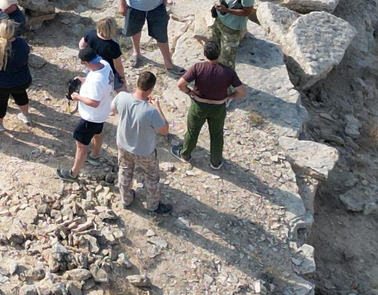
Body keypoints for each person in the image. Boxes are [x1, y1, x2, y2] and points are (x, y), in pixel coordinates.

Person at [176, 37, 249, 169]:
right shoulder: (228, 72)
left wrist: (189, 92)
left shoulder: (198, 67)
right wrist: (230, 96)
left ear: (204, 53)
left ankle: (185, 154)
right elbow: (242, 92)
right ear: (219, 53)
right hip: (218, 107)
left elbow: (180, 84)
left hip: (198, 105)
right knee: (216, 134)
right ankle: (216, 162)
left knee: (193, 131)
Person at [113, 68, 172, 212]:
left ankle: (126, 199)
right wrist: (157, 107)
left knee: (124, 171)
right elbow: (164, 130)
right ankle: (153, 206)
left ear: (137, 83)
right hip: (144, 152)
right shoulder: (151, 111)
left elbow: (113, 110)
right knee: (151, 178)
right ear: (151, 89)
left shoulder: (122, 97)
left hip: (123, 145)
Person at [68, 52, 118, 182]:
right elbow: (97, 82)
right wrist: (83, 80)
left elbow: (94, 103)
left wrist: (77, 97)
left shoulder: (97, 80)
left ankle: (73, 174)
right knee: (98, 133)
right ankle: (95, 155)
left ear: (86, 62)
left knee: (81, 145)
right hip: (102, 112)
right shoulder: (105, 65)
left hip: (91, 117)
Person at [0, 24, 32, 129]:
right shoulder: (22, 43)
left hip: (1, 84)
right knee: (21, 95)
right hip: (22, 80)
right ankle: (26, 116)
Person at [210, 0, 257, 65]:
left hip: (233, 27)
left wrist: (227, 10)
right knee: (214, 46)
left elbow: (247, 12)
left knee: (227, 58)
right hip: (220, 20)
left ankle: (225, 73)